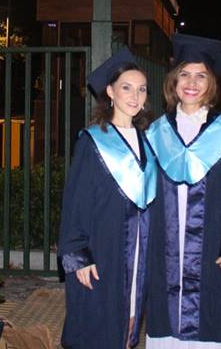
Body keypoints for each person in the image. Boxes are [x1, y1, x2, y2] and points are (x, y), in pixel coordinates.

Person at [145, 34, 221, 348]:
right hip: (166, 245)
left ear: (211, 84)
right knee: (167, 324)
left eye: (201, 76)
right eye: (185, 74)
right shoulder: (156, 132)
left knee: (215, 317)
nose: (192, 83)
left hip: (212, 243)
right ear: (173, 80)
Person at [58, 47, 158, 349]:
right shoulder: (92, 141)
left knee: (129, 323)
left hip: (139, 251)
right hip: (103, 250)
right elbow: (75, 203)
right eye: (126, 88)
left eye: (142, 89)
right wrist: (78, 256)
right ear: (110, 92)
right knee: (99, 328)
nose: (135, 96)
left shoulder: (148, 141)